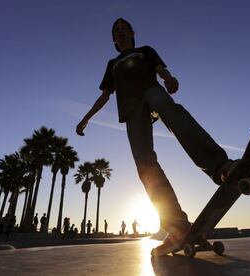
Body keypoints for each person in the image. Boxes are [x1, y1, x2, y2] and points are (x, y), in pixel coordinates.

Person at [76, 18, 237, 254]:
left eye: (123, 29)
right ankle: (176, 226)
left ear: (132, 33)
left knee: (169, 109)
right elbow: (105, 95)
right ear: (114, 40)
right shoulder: (112, 64)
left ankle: (221, 166)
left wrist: (168, 78)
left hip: (152, 93)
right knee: (144, 164)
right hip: (131, 112)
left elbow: (160, 69)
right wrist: (87, 117)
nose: (120, 33)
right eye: (116, 32)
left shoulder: (144, 51)